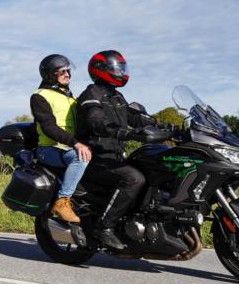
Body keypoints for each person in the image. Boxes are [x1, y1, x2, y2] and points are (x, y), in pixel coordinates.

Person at [76, 50, 156, 250]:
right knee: (133, 178)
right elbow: (96, 120)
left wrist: (160, 125)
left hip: (115, 158)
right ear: (101, 69)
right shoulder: (91, 93)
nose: (120, 72)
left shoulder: (117, 96)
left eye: (122, 68)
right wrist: (122, 132)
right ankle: (104, 228)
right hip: (95, 159)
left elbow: (134, 117)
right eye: (116, 68)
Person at [29, 54, 92, 227]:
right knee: (81, 156)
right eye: (61, 71)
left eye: (68, 71)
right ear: (50, 74)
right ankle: (62, 201)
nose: (67, 74)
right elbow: (49, 127)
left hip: (66, 147)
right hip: (48, 149)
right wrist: (76, 143)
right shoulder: (40, 96)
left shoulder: (70, 97)